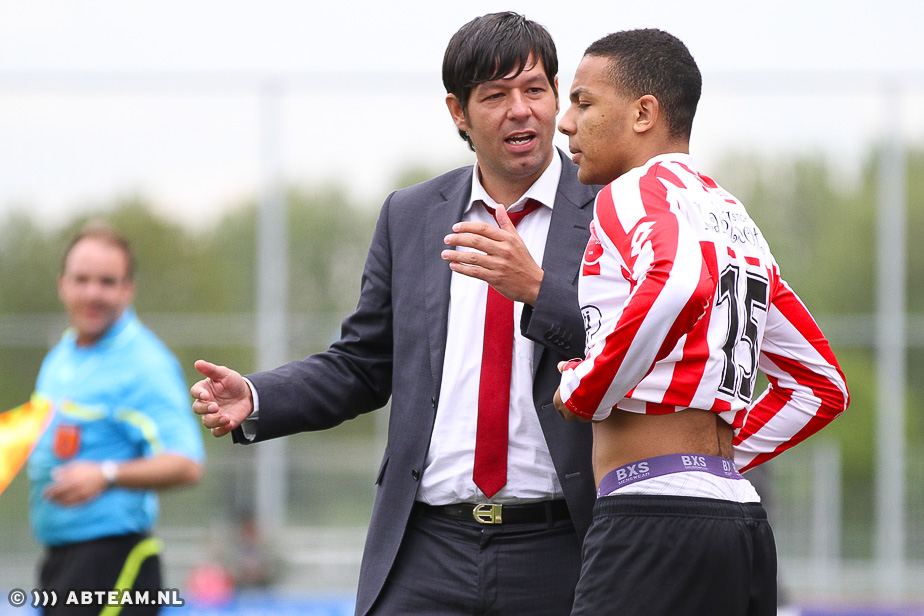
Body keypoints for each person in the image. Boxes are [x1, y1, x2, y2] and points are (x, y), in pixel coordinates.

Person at [191, 11, 598, 616]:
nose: (521, 110)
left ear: (556, 94)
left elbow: (638, 349)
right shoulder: (411, 216)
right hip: (428, 549)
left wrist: (539, 290)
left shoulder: (612, 211)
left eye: (534, 89)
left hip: (563, 547)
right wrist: (257, 396)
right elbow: (362, 364)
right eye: (496, 95)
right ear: (458, 112)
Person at [554, 29, 849, 615]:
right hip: (738, 518)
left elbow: (679, 280)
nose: (566, 123)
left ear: (643, 114)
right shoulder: (734, 216)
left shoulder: (634, 190)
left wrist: (582, 387)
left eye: (583, 103)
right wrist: (716, 462)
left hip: (650, 519)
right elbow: (820, 385)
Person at [28, 221, 205, 615]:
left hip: (114, 567)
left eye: (107, 282)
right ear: (62, 284)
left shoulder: (145, 365)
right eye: (82, 279)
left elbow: (187, 464)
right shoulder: (61, 356)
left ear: (128, 289)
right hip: (59, 562)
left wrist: (105, 474)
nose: (93, 293)